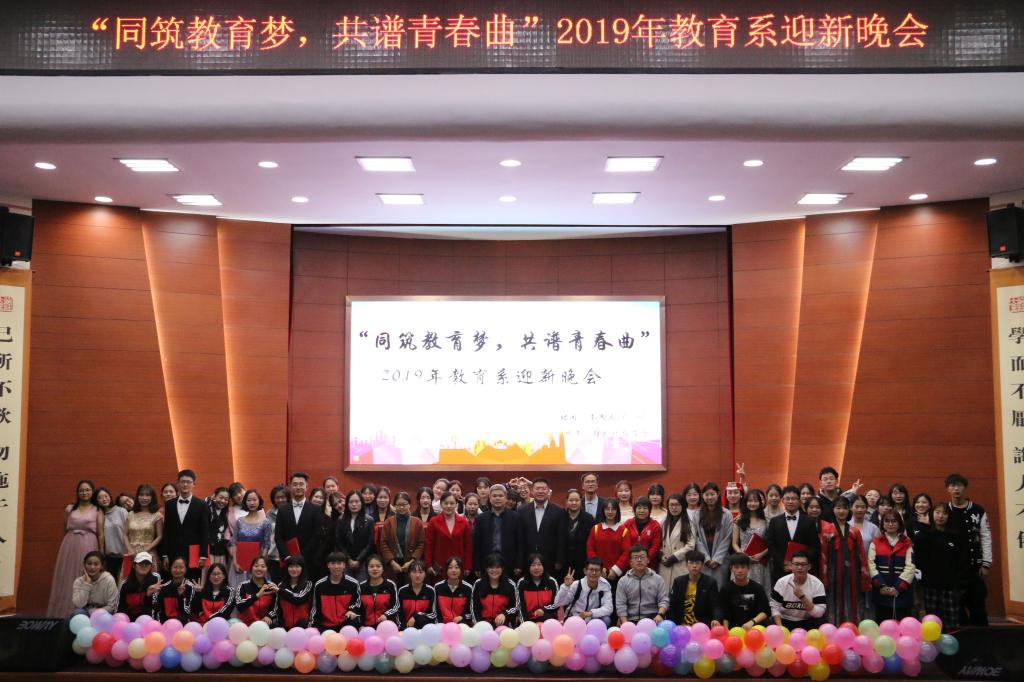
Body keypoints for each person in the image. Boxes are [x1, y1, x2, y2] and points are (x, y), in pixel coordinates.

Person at [48, 479, 105, 617]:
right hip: (70, 545)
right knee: (67, 578)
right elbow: (64, 528)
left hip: (89, 544)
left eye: (87, 490)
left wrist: (101, 553)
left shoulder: (97, 510)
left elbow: (101, 533)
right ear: (77, 493)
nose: (84, 493)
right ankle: (64, 612)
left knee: (85, 575)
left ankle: (83, 613)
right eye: (81, 490)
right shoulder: (70, 509)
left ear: (92, 492)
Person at [914, 503, 968, 627]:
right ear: (932, 514)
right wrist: (924, 526)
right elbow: (918, 557)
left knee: (952, 622)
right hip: (930, 585)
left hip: (951, 586)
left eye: (944, 513)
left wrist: (960, 583)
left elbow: (962, 561)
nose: (940, 516)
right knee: (932, 622)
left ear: (949, 516)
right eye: (937, 512)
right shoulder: (925, 535)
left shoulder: (956, 536)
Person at [819, 497, 869, 625]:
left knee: (852, 601)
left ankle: (852, 629)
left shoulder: (855, 531)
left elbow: (862, 555)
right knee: (832, 601)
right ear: (833, 509)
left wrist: (864, 577)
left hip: (852, 575)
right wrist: (824, 577)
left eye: (845, 508)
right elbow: (823, 555)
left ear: (849, 510)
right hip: (832, 574)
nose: (841, 511)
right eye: (838, 508)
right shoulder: (826, 530)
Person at [764, 485, 821, 586]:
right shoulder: (774, 521)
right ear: (782, 500)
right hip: (781, 570)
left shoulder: (809, 521)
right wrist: (782, 563)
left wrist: (801, 563)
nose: (790, 501)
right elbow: (770, 544)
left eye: (794, 499)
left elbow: (815, 546)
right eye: (787, 498)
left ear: (799, 500)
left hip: (803, 571)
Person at [275, 472, 325, 580]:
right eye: (295, 484)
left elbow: (317, 535)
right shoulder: (282, 510)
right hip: (288, 561)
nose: (298, 487)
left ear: (306, 487)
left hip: (309, 560)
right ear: (290, 487)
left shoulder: (316, 509)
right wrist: (287, 556)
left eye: (301, 484)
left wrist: (302, 556)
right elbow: (278, 537)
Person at [162, 469, 210, 581]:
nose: (185, 484)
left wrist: (203, 555)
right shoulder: (169, 504)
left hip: (194, 552)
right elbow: (166, 530)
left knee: (193, 581)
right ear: (178, 484)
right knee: (173, 581)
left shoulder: (202, 505)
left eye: (188, 482)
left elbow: (204, 532)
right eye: (182, 482)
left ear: (194, 484)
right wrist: (164, 554)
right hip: (173, 551)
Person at [868, 510, 916, 621]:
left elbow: (910, 567)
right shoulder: (875, 543)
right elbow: (871, 565)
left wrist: (898, 588)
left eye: (894, 521)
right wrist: (881, 586)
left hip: (902, 594)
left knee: (903, 623)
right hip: (881, 593)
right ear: (882, 524)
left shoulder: (907, 543)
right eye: (887, 521)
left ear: (899, 523)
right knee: (882, 623)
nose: (890, 524)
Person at [519, 477, 567, 576]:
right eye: (537, 488)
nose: (540, 491)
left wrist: (559, 560)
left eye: (544, 489)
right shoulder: (522, 510)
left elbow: (561, 538)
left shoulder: (559, 511)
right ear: (532, 491)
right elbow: (519, 538)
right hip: (527, 559)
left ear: (548, 491)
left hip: (550, 559)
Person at [473, 484, 525, 575]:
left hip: (509, 563)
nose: (497, 498)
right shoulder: (480, 519)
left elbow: (520, 543)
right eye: (494, 496)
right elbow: (476, 545)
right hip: (487, 563)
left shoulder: (516, 517)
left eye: (500, 496)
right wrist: (477, 566)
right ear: (489, 498)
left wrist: (519, 564)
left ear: (505, 498)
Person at [770, 551, 826, 630]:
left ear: (809, 567)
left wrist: (802, 597)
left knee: (823, 623)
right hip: (785, 620)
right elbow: (775, 607)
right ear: (791, 566)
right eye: (796, 564)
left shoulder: (817, 584)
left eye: (803, 564)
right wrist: (780, 628)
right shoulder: (781, 582)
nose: (799, 567)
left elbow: (819, 613)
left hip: (808, 621)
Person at [379, 491, 425, 585]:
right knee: (393, 586)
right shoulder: (388, 522)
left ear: (409, 505)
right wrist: (392, 562)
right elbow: (383, 543)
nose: (401, 507)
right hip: (393, 563)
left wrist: (411, 562)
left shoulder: (417, 522)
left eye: (404, 504)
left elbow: (421, 543)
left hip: (411, 563)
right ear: (394, 506)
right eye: (398, 505)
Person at [615, 544, 669, 624]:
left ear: (648, 560)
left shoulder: (658, 579)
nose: (639, 560)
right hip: (631, 619)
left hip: (653, 619)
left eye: (642, 557)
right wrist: (625, 623)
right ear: (630, 562)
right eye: (636, 557)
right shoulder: (623, 581)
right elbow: (620, 605)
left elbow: (663, 600)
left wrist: (660, 615)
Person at [230, 489, 273, 586]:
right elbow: (234, 542)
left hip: (258, 564)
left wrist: (261, 564)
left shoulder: (265, 522)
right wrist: (235, 562)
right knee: (240, 589)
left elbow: (266, 545)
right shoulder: (239, 521)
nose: (252, 503)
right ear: (245, 502)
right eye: (249, 500)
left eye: (254, 500)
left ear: (259, 501)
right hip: (241, 562)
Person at [425, 491, 473, 579]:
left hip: (458, 566)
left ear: (456, 505)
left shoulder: (464, 522)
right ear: (441, 504)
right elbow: (429, 544)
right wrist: (428, 564)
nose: (449, 506)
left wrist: (467, 566)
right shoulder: (433, 522)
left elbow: (468, 546)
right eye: (446, 503)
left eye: (452, 503)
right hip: (439, 565)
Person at [669, 550, 722, 626]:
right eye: (691, 562)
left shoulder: (710, 582)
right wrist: (673, 625)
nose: (694, 566)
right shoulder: (678, 581)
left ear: (702, 565)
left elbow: (715, 605)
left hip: (701, 626)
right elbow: (672, 605)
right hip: (681, 625)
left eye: (697, 563)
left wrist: (716, 619)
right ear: (686, 565)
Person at [587, 498, 636, 581]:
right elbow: (590, 550)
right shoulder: (595, 529)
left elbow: (626, 553)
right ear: (603, 511)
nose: (610, 512)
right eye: (607, 509)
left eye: (613, 509)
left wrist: (615, 570)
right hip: (598, 573)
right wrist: (599, 567)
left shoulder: (623, 530)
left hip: (616, 575)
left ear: (617, 511)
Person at [731, 488, 770, 594]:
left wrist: (761, 555)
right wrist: (743, 556)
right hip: (742, 560)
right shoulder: (738, 520)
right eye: (750, 501)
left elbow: (771, 543)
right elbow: (734, 543)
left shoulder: (766, 521)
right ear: (745, 503)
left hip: (760, 561)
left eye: (755, 501)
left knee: (759, 591)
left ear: (761, 503)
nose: (752, 503)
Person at [311, 551, 362, 630]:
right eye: (333, 563)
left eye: (339, 563)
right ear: (328, 565)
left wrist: (352, 610)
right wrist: (313, 626)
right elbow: (315, 608)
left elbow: (357, 602)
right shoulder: (319, 585)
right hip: (326, 625)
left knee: (354, 621)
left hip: (345, 624)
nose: (336, 567)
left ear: (344, 565)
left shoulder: (353, 583)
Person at [555, 557, 613, 625]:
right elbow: (558, 603)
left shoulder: (605, 585)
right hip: (575, 618)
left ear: (601, 572)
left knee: (606, 619)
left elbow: (609, 608)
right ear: (585, 571)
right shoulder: (576, 585)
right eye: (591, 570)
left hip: (593, 618)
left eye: (597, 570)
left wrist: (591, 613)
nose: (594, 573)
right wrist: (565, 586)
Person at [719, 554, 770, 629]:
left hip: (753, 626)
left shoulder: (757, 588)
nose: (740, 571)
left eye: (743, 567)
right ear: (731, 569)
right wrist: (726, 630)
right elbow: (724, 614)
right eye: (736, 567)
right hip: (734, 628)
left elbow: (765, 611)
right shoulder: (725, 589)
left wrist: (752, 622)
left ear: (748, 568)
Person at [696, 482, 733, 587]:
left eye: (712, 494)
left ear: (718, 494)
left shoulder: (726, 514)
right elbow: (696, 538)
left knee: (719, 587)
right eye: (706, 494)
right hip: (703, 555)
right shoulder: (697, 514)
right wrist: (706, 558)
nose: (709, 497)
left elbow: (728, 537)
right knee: (703, 587)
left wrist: (717, 559)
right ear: (702, 496)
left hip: (721, 556)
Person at [124, 484, 163, 575]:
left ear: (152, 498)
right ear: (137, 497)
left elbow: (160, 536)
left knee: (149, 579)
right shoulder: (130, 514)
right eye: (141, 495)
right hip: (131, 553)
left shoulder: (157, 515)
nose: (144, 498)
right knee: (129, 579)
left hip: (148, 552)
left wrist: (146, 549)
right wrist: (129, 549)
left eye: (147, 495)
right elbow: (124, 534)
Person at [472, 553, 519, 627]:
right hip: (483, 624)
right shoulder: (478, 584)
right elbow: (474, 608)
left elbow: (515, 606)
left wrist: (504, 614)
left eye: (497, 567)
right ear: (486, 568)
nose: (494, 570)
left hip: (504, 624)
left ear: (502, 568)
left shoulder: (511, 585)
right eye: (491, 567)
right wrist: (479, 624)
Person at [336, 490, 374, 581]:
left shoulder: (369, 520)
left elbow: (370, 543)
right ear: (347, 504)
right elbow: (339, 542)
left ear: (362, 503)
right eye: (351, 502)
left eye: (357, 501)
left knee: (362, 586)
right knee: (347, 586)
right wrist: (349, 559)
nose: (354, 504)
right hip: (346, 561)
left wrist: (358, 560)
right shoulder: (341, 519)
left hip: (363, 562)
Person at [659, 493, 695, 585]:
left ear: (682, 506)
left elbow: (691, 546)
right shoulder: (663, 522)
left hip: (680, 564)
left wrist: (674, 557)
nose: (674, 508)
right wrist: (661, 555)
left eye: (677, 505)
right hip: (664, 564)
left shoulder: (689, 523)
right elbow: (658, 542)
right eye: (671, 505)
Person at [71, 550, 119, 615]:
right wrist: (87, 584)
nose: (92, 567)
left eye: (96, 564)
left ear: (101, 566)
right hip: (85, 612)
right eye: (89, 564)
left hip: (104, 613)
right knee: (78, 612)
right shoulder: (79, 581)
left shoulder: (109, 580)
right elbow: (78, 605)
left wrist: (93, 612)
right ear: (84, 565)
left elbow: (112, 606)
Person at [96, 487, 129, 580]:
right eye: (100, 498)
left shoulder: (121, 511)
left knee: (124, 582)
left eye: (106, 496)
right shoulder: (99, 515)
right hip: (110, 557)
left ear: (110, 497)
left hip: (125, 555)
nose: (104, 499)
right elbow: (100, 535)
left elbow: (129, 532)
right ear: (97, 501)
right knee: (112, 582)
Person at [235, 556, 279, 625]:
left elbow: (275, 607)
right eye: (256, 566)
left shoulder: (272, 586)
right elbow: (239, 606)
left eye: (263, 566)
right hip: (245, 625)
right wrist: (257, 595)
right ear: (251, 568)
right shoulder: (242, 586)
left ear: (267, 569)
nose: (259, 569)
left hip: (264, 625)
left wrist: (269, 616)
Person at [117, 552, 160, 619]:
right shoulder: (125, 585)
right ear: (134, 565)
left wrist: (148, 596)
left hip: (147, 620)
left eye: (147, 564)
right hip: (129, 621)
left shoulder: (155, 580)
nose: (144, 566)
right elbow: (121, 609)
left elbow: (154, 608)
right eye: (141, 563)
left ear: (151, 566)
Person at [517, 553, 560, 622]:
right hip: (528, 620)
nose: (536, 568)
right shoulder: (522, 583)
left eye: (539, 564)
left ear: (544, 566)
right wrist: (524, 624)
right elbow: (520, 607)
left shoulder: (552, 582)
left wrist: (544, 610)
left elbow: (556, 604)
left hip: (548, 619)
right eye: (533, 565)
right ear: (528, 567)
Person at [622, 496, 662, 569]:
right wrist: (633, 559)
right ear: (635, 510)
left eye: (645, 508)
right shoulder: (628, 524)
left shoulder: (655, 525)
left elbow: (655, 546)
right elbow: (625, 544)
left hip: (649, 565)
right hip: (630, 564)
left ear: (649, 510)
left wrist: (645, 559)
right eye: (639, 508)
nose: (642, 511)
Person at [359, 555, 400, 625]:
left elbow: (396, 606)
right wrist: (361, 625)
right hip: (367, 627)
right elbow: (359, 609)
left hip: (387, 625)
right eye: (371, 566)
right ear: (367, 569)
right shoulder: (361, 586)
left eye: (378, 566)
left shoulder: (390, 585)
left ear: (383, 569)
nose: (375, 569)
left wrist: (386, 615)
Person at [564, 489, 596, 577]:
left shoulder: (589, 519)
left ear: (581, 501)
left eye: (577, 500)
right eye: (571, 500)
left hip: (582, 562)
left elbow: (592, 542)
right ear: (566, 501)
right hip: (563, 563)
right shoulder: (560, 517)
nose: (574, 503)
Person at [397, 560, 437, 628]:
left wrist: (417, 616)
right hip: (405, 629)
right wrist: (403, 628)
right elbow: (398, 613)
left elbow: (433, 614)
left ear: (425, 574)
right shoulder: (402, 591)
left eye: (421, 572)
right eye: (414, 572)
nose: (417, 575)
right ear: (409, 574)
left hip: (425, 629)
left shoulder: (430, 590)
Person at [154, 556, 195, 622]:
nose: (178, 570)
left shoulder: (190, 587)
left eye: (181, 567)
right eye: (175, 567)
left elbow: (188, 612)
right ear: (170, 568)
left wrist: (180, 596)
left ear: (186, 569)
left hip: (183, 624)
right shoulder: (164, 587)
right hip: (166, 623)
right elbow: (159, 611)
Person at [434, 556, 474, 624]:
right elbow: (435, 611)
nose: (453, 570)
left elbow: (471, 612)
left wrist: (462, 617)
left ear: (461, 570)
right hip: (442, 625)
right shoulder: (438, 587)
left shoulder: (468, 588)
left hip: (461, 625)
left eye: (456, 567)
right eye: (450, 567)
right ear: (446, 570)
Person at [278, 555, 314, 629]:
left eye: (297, 567)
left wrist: (280, 590)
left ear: (302, 568)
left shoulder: (308, 584)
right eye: (291, 567)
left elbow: (298, 599)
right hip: (285, 627)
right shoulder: (280, 585)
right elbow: (277, 607)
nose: (294, 569)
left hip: (303, 627)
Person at [265, 485, 290, 583]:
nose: (280, 500)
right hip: (273, 556)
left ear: (287, 497)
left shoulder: (292, 512)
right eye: (277, 498)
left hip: (289, 554)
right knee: (274, 583)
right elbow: (267, 535)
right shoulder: (269, 514)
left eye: (283, 497)